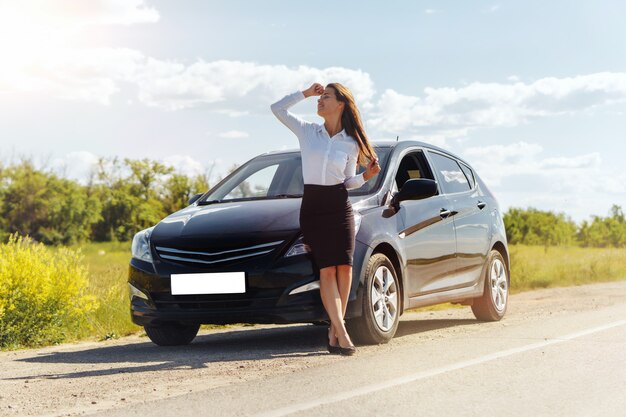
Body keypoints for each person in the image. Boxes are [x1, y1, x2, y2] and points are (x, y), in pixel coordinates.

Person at [271, 83, 381, 355]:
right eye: (318, 97)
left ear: (340, 104)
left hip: (339, 206)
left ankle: (335, 330)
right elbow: (277, 109)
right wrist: (304, 93)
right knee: (326, 270)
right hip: (314, 207)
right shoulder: (308, 132)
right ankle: (341, 331)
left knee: (344, 268)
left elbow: (347, 182)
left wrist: (366, 177)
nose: (319, 101)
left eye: (325, 97)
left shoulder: (351, 142)